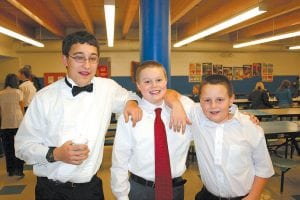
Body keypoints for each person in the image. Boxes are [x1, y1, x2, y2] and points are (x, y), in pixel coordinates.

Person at [15, 31, 142, 200]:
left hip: (90, 190)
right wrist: (56, 154)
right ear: (65, 60)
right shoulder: (44, 97)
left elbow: (130, 96)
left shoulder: (108, 88)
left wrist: (132, 103)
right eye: (79, 57)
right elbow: (22, 147)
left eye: (93, 58)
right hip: (52, 191)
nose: (87, 65)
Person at [110, 61, 194, 200]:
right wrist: (122, 196)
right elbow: (120, 160)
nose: (154, 85)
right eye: (147, 81)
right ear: (138, 85)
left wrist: (176, 103)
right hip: (140, 190)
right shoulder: (130, 116)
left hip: (175, 190)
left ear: (166, 81)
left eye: (159, 80)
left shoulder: (184, 109)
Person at [191, 75, 274, 200]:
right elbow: (169, 95)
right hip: (207, 195)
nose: (213, 106)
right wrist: (175, 104)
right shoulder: (197, 117)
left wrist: (254, 195)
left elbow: (264, 168)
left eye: (220, 99)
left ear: (231, 99)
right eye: (207, 100)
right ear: (200, 101)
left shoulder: (250, 127)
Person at [0, 74, 25, 177]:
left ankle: (10, 170)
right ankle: (19, 170)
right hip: (17, 122)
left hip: (5, 123)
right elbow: (22, 107)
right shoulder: (18, 92)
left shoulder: (1, 93)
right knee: (19, 147)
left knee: (8, 148)